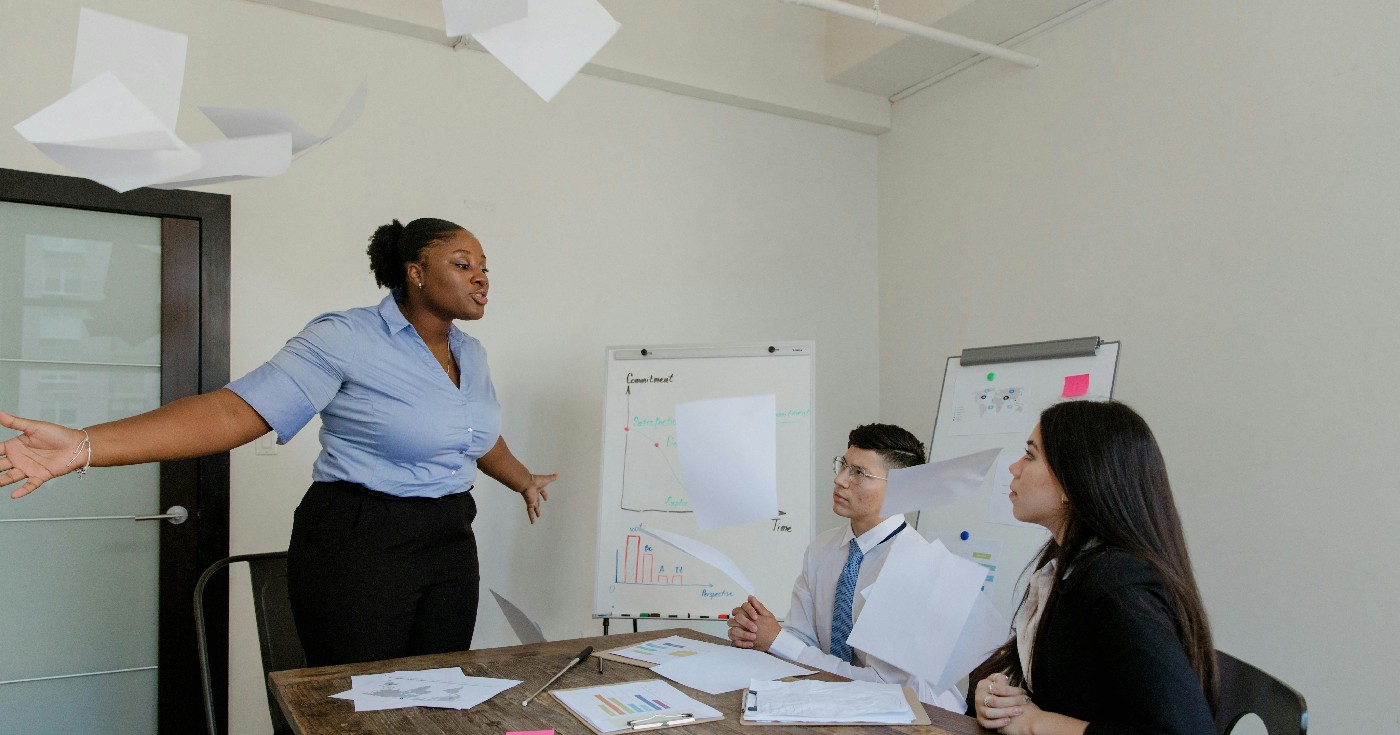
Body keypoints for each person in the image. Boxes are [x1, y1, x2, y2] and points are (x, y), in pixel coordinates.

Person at [0, 217, 557, 666]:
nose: (482, 278)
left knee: (438, 695)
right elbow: (234, 411)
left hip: (450, 536)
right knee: (354, 707)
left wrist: (523, 480)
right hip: (360, 537)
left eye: (485, 268)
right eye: (463, 265)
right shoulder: (345, 337)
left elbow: (473, 436)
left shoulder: (472, 354)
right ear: (413, 272)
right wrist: (86, 445)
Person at [969, 400, 1217, 735]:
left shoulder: (1116, 582)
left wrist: (1038, 723)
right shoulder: (1066, 569)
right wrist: (1001, 699)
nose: (1015, 468)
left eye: (1030, 455)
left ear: (1072, 481)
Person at [726, 423, 965, 713]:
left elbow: (887, 687)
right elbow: (803, 639)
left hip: (918, 715)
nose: (840, 480)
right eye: (843, 465)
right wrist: (758, 633)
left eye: (859, 473)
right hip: (831, 701)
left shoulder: (918, 565)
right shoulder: (822, 549)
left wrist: (778, 642)